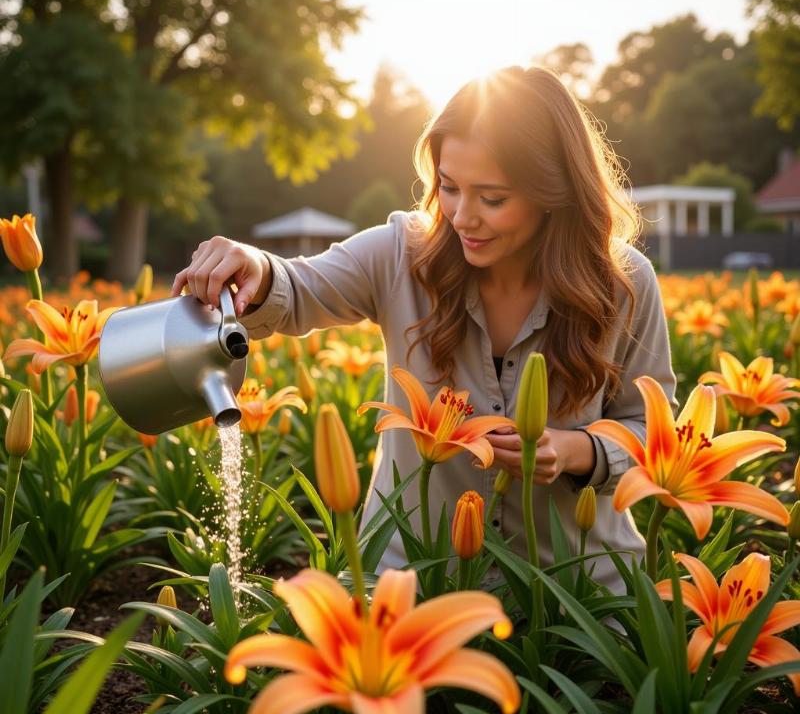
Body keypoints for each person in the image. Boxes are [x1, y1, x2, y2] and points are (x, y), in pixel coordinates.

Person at [172, 66, 676, 592]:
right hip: (406, 581)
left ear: (554, 192)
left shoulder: (626, 283)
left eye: (493, 198)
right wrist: (251, 263)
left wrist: (576, 451)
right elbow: (297, 288)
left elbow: (651, 427)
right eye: (449, 187)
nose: (461, 216)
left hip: (577, 589)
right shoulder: (401, 252)